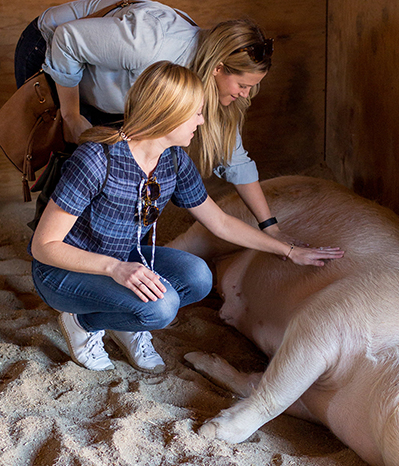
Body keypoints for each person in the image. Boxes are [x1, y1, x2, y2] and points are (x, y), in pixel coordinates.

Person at [30, 61, 343, 372]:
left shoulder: (174, 160)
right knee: (160, 308)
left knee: (198, 277)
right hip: (63, 271)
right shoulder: (97, 159)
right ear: (169, 114)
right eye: (196, 112)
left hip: (125, 260)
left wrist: (288, 250)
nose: (202, 121)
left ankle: (124, 319)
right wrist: (115, 268)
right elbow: (43, 246)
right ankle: (82, 321)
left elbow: (218, 222)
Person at [15, 0, 285, 239]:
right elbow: (67, 39)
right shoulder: (153, 42)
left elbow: (233, 156)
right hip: (50, 49)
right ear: (218, 68)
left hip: (116, 88)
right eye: (243, 86)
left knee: (126, 158)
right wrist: (71, 115)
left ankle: (98, 249)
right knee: (83, 159)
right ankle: (51, 250)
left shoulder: (205, 81)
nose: (246, 95)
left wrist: (270, 226)